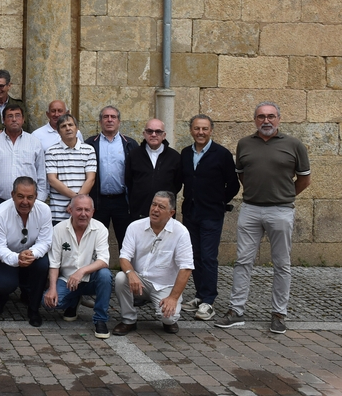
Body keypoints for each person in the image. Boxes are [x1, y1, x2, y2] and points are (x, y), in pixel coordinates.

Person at [215, 102, 310, 335]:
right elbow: (243, 176)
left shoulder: (294, 145)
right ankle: (236, 311)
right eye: (261, 117)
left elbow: (304, 180)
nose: (266, 121)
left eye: (271, 116)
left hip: (281, 211)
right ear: (255, 119)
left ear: (279, 118)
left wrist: (283, 197)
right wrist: (259, 195)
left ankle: (279, 314)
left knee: (281, 264)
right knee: (243, 262)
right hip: (250, 209)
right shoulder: (245, 144)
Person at [179, 114, 240, 322]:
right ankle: (199, 295)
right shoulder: (186, 153)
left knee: (208, 256)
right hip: (190, 212)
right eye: (197, 129)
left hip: (211, 214)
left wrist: (219, 202)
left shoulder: (221, 154)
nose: (201, 133)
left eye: (205, 129)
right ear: (191, 131)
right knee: (193, 256)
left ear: (211, 130)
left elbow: (233, 184)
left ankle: (209, 301)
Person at [113, 191, 193, 336]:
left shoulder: (181, 232)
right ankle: (129, 319)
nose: (155, 209)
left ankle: (169, 310)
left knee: (169, 318)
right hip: (139, 281)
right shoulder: (135, 227)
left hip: (164, 285)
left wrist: (173, 298)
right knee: (120, 278)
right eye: (153, 204)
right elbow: (124, 257)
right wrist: (131, 274)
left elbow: (186, 268)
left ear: (171, 212)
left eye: (161, 207)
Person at [43, 194, 112, 339]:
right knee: (49, 303)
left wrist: (82, 271)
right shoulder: (58, 229)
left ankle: (100, 320)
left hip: (91, 279)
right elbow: (54, 263)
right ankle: (74, 301)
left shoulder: (100, 229)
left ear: (93, 212)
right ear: (70, 210)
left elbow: (104, 260)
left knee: (105, 275)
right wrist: (52, 288)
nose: (83, 214)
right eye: (79, 209)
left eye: (87, 210)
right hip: (66, 279)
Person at [0, 177, 52, 327]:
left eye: (30, 197)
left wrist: (32, 254)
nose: (25, 201)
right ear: (12, 195)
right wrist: (17, 258)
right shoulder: (0, 213)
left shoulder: (44, 210)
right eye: (20, 196)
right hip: (8, 257)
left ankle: (34, 310)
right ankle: (1, 298)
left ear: (36, 196)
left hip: (32, 256)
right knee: (5, 284)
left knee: (43, 265)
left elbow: (46, 241)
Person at [0, 104, 46, 216]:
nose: (14, 119)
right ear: (3, 120)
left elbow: (41, 173)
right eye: (10, 116)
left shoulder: (35, 142)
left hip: (28, 202)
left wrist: (40, 200)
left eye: (17, 116)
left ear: (23, 119)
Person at [86, 105, 138, 249]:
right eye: (105, 117)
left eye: (113, 117)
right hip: (98, 201)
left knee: (126, 240)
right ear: (100, 121)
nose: (109, 120)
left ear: (119, 121)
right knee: (95, 240)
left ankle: (125, 270)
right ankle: (96, 271)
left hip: (122, 201)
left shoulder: (130, 144)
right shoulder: (90, 143)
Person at [125, 118, 182, 221]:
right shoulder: (134, 155)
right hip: (139, 210)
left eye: (158, 131)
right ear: (144, 134)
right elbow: (129, 181)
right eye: (150, 131)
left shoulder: (174, 157)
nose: (154, 134)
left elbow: (177, 184)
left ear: (164, 135)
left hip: (165, 212)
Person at [45, 114, 97, 224]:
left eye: (70, 125)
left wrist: (76, 204)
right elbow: (52, 180)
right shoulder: (51, 152)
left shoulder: (89, 150)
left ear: (76, 128)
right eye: (63, 126)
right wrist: (76, 200)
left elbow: (90, 179)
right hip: (59, 212)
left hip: (82, 212)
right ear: (58, 132)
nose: (68, 128)